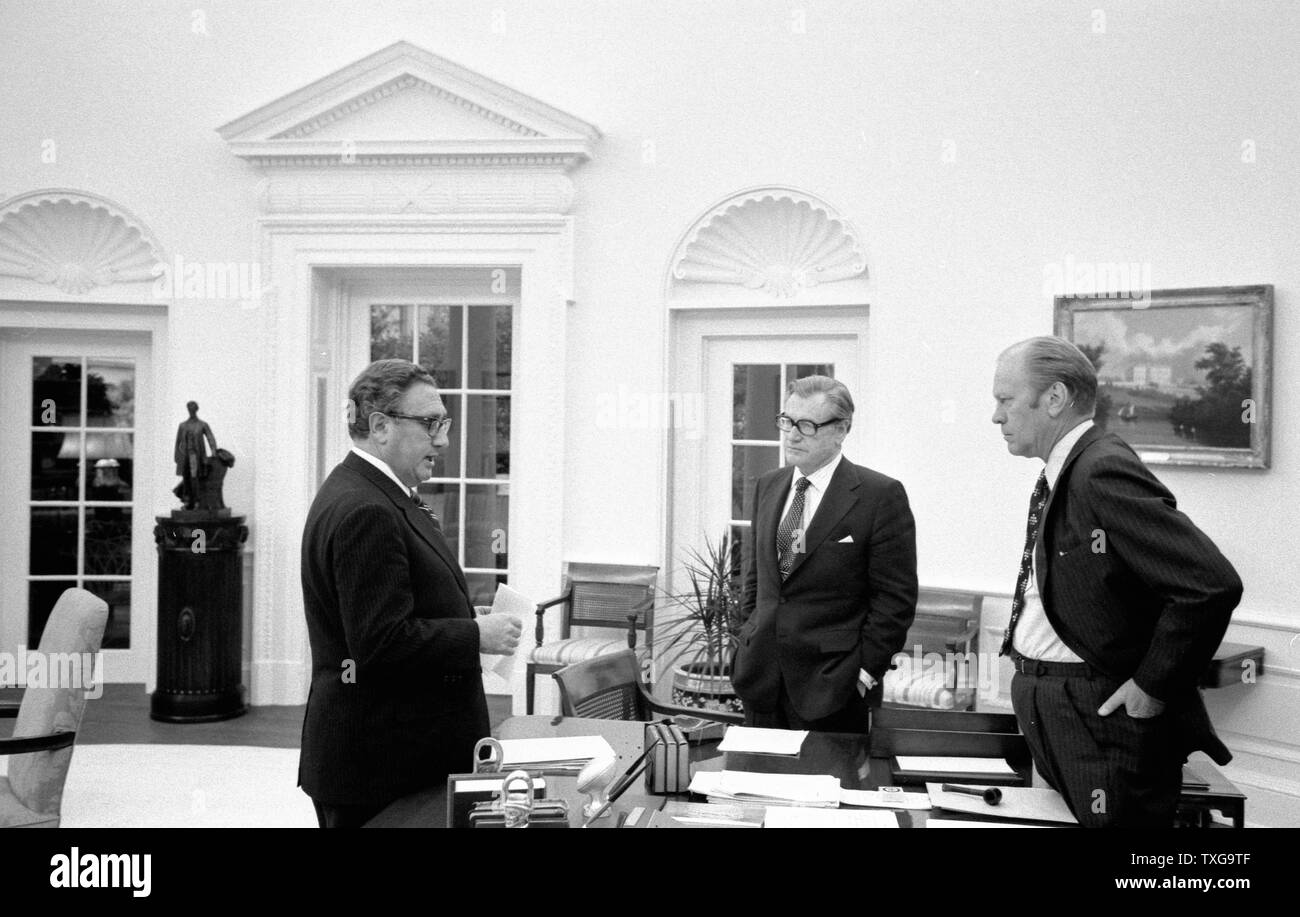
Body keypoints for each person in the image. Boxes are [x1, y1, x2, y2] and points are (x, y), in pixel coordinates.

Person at [991, 336, 1241, 827]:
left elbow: (1210, 584)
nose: (996, 416)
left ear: (1055, 399)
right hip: (1058, 707)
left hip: (1096, 718)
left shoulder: (1100, 468)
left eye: (1005, 400)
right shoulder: (1066, 469)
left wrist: (1151, 685)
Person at [298, 359, 522, 828]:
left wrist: (460, 614)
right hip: (382, 770)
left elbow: (391, 607)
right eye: (430, 424)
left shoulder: (373, 491)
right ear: (379, 426)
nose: (442, 439)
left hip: (392, 761)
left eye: (444, 423)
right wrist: (474, 634)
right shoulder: (366, 508)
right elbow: (380, 644)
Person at [731, 375, 917, 732]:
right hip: (761, 683)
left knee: (828, 787)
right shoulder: (769, 486)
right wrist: (746, 641)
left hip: (834, 690)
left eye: (807, 425)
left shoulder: (880, 496)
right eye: (787, 421)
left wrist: (863, 674)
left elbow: (895, 601)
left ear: (841, 430)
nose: (792, 434)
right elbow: (757, 579)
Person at [172, 401, 217, 509]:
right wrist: (178, 458)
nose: (191, 410)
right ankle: (187, 501)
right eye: (189, 408)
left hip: (197, 456)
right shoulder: (182, 425)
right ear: (188, 410)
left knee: (195, 478)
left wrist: (213, 451)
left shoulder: (202, 425)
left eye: (193, 408)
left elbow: (210, 438)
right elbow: (178, 443)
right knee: (186, 478)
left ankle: (197, 501)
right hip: (185, 456)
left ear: (196, 409)